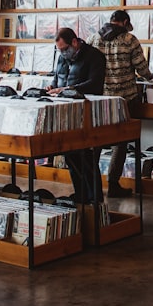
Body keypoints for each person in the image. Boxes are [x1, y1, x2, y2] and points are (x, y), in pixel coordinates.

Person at [91, 10, 152, 198]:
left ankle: (93, 184)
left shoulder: (94, 39)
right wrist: (150, 77)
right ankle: (113, 183)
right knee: (121, 143)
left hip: (100, 98)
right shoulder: (129, 40)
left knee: (97, 141)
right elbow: (142, 69)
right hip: (125, 99)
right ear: (125, 22)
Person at [48, 28, 107, 203]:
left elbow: (95, 84)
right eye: (59, 50)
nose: (62, 53)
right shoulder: (62, 57)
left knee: (87, 158)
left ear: (74, 42)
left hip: (86, 113)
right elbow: (57, 77)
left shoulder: (94, 56)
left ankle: (94, 198)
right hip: (64, 112)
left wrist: (67, 89)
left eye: (65, 49)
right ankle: (80, 195)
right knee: (71, 157)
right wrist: (52, 87)